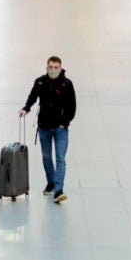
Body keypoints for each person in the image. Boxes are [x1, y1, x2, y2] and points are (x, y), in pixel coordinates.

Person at [19, 56, 76, 204]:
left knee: (60, 158)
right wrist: (26, 108)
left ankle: (58, 190)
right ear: (46, 68)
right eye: (50, 67)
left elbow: (72, 106)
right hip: (44, 127)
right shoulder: (40, 82)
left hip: (60, 129)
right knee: (46, 157)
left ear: (61, 67)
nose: (53, 70)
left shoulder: (66, 84)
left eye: (56, 67)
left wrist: (65, 122)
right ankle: (50, 182)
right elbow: (32, 97)